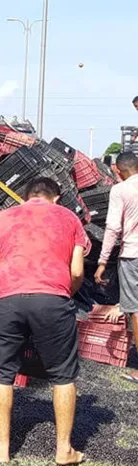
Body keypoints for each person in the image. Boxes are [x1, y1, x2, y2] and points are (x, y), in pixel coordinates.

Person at [0, 177, 89, 466]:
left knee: (2, 373)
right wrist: (66, 291)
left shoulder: (2, 218)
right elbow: (77, 270)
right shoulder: (69, 218)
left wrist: (13, 277)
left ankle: (2, 448)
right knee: (63, 375)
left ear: (27, 197)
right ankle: (64, 450)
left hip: (8, 299)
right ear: (55, 198)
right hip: (53, 298)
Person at [95, 151, 138, 383]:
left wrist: (102, 262)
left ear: (118, 170)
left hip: (133, 255)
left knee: (136, 310)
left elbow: (112, 229)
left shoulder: (120, 190)